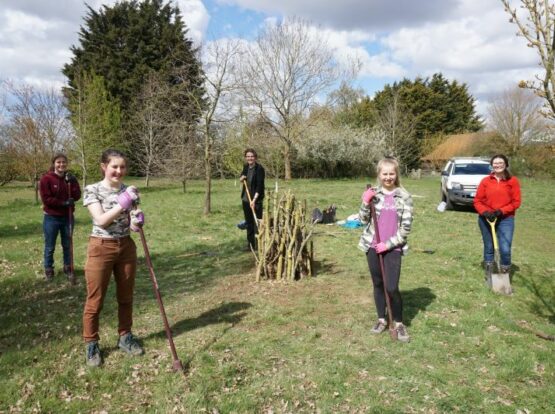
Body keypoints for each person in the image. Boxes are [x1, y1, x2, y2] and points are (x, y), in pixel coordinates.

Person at [82, 149, 145, 367]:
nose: (119, 171)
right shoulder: (92, 190)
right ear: (104, 167)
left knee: (126, 297)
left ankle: (125, 336)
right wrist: (123, 203)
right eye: (114, 167)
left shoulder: (129, 190)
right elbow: (100, 220)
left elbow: (131, 218)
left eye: (122, 167)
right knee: (95, 300)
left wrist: (136, 222)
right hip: (101, 247)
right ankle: (91, 344)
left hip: (126, 246)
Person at [358, 157, 414, 342]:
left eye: (392, 173)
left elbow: (405, 229)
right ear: (379, 174)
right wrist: (365, 202)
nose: (388, 177)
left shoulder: (404, 196)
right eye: (385, 174)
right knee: (378, 284)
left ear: (396, 174)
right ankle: (382, 319)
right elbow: (363, 220)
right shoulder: (374, 194)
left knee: (391, 286)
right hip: (372, 245)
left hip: (393, 247)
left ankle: (398, 322)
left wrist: (388, 244)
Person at [474, 154, 521, 279]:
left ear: (506, 164)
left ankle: (504, 275)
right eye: (495, 163)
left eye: (501, 163)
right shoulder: (485, 181)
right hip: (486, 219)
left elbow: (516, 202)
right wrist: (485, 212)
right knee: (489, 246)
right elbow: (477, 201)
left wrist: (501, 211)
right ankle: (489, 274)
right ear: (492, 165)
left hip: (506, 219)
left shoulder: (513, 181)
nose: (498, 165)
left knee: (505, 248)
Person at [39, 153, 81, 283]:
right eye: (58, 162)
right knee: (50, 246)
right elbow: (46, 199)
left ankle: (68, 267)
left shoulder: (69, 179)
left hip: (67, 217)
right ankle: (48, 269)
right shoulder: (46, 179)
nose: (61, 164)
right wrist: (63, 203)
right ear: (54, 164)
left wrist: (73, 182)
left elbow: (77, 195)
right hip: (51, 217)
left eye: (64, 162)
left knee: (67, 244)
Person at [239, 148, 265, 250]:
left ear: (255, 157)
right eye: (248, 156)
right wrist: (241, 178)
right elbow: (242, 176)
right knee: (249, 222)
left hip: (256, 200)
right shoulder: (246, 166)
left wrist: (254, 200)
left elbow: (260, 186)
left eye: (252, 156)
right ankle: (250, 245)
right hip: (246, 199)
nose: (250, 158)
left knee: (256, 222)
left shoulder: (259, 169)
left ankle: (259, 244)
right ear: (246, 158)